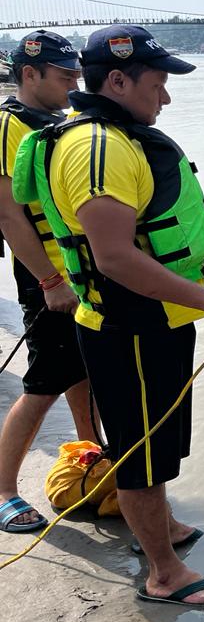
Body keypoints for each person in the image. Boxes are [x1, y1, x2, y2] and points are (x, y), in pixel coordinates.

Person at [17, 25, 204, 606]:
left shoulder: (125, 138)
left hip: (159, 323)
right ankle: (163, 574)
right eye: (158, 85)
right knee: (139, 456)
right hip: (129, 328)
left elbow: (172, 229)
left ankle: (164, 532)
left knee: (158, 442)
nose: (167, 98)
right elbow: (114, 258)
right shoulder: (96, 149)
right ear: (120, 80)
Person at [0, 30, 100, 534]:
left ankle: (90, 451)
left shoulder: (59, 122)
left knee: (82, 369)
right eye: (64, 77)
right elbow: (9, 215)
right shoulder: (7, 126)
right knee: (42, 382)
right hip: (48, 274)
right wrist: (49, 279)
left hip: (79, 269)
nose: (72, 84)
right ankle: (3, 493)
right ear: (29, 74)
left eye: (75, 75)